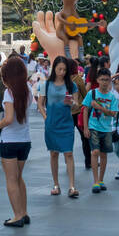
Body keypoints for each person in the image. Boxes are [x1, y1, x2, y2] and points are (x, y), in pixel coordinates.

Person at [0, 55, 33, 228]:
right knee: (19, 178)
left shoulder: (9, 92)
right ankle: (24, 212)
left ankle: (17, 215)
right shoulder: (27, 88)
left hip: (10, 141)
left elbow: (9, 119)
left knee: (11, 180)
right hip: (24, 140)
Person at [39, 55, 80, 198]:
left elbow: (76, 104)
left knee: (69, 153)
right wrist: (46, 118)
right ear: (54, 68)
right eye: (59, 69)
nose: (62, 72)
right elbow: (40, 104)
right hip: (52, 124)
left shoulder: (71, 85)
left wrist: (72, 103)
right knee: (54, 153)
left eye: (64, 69)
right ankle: (56, 184)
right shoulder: (46, 84)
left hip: (67, 124)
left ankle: (72, 186)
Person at [83, 69, 117, 192]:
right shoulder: (92, 93)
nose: (104, 82)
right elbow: (85, 110)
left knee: (103, 154)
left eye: (107, 80)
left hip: (107, 128)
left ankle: (101, 180)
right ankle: (95, 181)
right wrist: (86, 127)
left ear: (110, 81)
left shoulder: (112, 97)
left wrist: (100, 108)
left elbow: (113, 113)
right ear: (97, 80)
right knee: (95, 152)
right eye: (102, 79)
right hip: (93, 127)